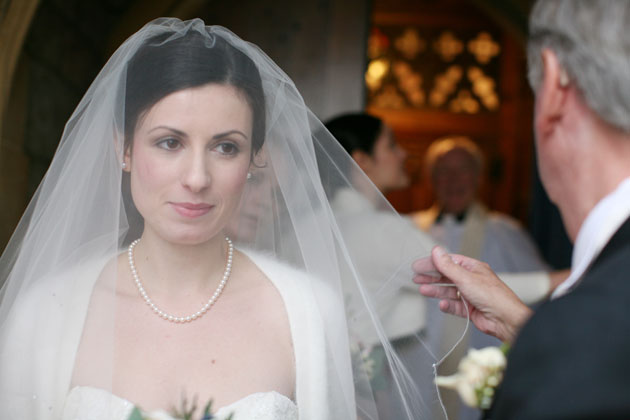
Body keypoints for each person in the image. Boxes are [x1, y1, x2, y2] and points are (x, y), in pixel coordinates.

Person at [0, 19, 430, 420]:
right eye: (169, 142)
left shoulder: (310, 311)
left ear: (255, 158)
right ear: (124, 149)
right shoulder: (46, 312)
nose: (197, 178)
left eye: (226, 147)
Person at [415, 0, 630, 418]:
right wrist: (521, 323)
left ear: (553, 88)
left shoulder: (584, 314)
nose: (454, 182)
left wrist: (544, 337)